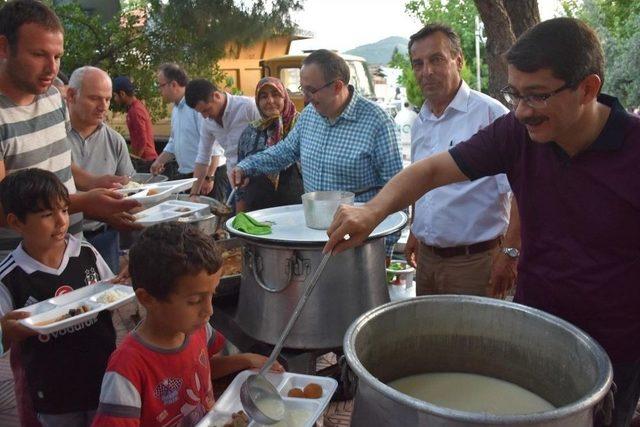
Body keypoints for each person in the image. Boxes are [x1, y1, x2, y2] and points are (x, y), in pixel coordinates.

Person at [325, 18, 640, 427]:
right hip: (535, 325)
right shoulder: (516, 133)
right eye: (515, 94)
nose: (523, 111)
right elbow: (430, 171)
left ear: (588, 88)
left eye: (538, 96)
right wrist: (372, 212)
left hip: (615, 348)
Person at [0, 3, 139, 425]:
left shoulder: (53, 95)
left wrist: (97, 182)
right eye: (40, 54)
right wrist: (83, 203)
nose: (52, 67)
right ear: (3, 47)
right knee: (41, 371)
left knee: (89, 347)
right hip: (24, 265)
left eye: (57, 56)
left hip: (72, 248)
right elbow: (5, 201)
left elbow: (61, 167)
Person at [92, 222, 282, 426]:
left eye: (212, 295)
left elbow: (201, 368)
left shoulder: (198, 329)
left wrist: (244, 360)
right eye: (194, 301)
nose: (209, 310)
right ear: (148, 299)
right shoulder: (126, 368)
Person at [232, 49, 403, 256]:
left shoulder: (378, 123)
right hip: (313, 241)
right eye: (302, 89)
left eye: (312, 90)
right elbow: (283, 152)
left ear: (337, 86)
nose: (306, 98)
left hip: (358, 244)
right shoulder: (310, 116)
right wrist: (245, 166)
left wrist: (385, 251)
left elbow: (398, 192)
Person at [403, 24, 516, 298]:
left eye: (436, 59)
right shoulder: (421, 121)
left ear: (459, 60)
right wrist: (416, 232)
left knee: (477, 340)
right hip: (427, 260)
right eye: (418, 63)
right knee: (429, 337)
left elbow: (519, 193)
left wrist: (510, 254)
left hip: (475, 263)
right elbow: (423, 184)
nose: (426, 71)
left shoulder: (491, 116)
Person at [0, 169, 116, 427]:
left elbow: (111, 290)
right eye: (47, 215)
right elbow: (3, 336)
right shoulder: (10, 277)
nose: (61, 221)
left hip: (103, 376)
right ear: (16, 222)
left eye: (64, 210)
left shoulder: (85, 253)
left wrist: (125, 282)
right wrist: (7, 332)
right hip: (53, 393)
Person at [68, 66, 136, 273]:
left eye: (107, 99)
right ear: (71, 95)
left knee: (106, 299)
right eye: (95, 98)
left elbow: (131, 190)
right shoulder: (52, 136)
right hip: (62, 239)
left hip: (105, 237)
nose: (103, 106)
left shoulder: (115, 140)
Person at [236, 76, 304, 212]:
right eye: (263, 96)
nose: (270, 101)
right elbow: (240, 181)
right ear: (257, 101)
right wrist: (240, 216)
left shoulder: (301, 125)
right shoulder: (250, 131)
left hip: (297, 210)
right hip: (258, 213)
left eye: (275, 95)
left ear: (285, 97)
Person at [185, 79, 260, 202]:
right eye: (200, 112)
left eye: (206, 110)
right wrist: (194, 194)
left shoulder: (248, 107)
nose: (204, 116)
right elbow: (203, 157)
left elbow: (270, 142)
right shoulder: (206, 121)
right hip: (233, 181)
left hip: (258, 178)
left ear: (216, 96)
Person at [151, 63, 215, 181]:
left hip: (206, 176)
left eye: (161, 86)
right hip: (189, 175)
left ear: (174, 84)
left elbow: (213, 143)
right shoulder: (176, 110)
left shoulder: (196, 105)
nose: (160, 90)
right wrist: (159, 161)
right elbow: (174, 142)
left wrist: (209, 177)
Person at [112, 76, 158, 166]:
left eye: (115, 96)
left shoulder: (135, 111)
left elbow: (142, 140)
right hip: (145, 159)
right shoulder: (135, 107)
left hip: (146, 161)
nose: (115, 99)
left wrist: (135, 160)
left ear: (122, 94)